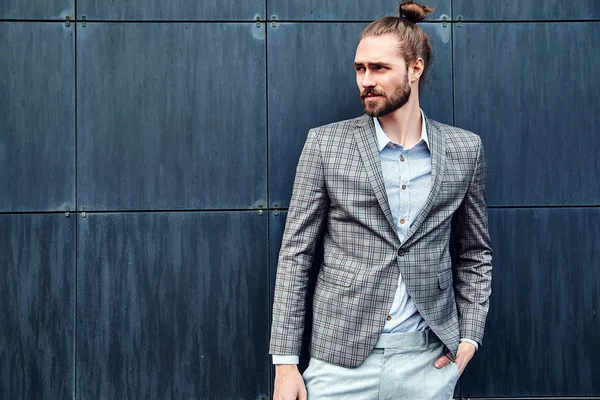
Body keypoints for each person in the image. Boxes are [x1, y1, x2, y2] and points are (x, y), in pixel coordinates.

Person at [270, 1, 493, 398]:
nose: (365, 80)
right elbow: (295, 254)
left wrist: (469, 338)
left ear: (416, 69)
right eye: (360, 68)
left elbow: (475, 252)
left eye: (379, 68)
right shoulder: (325, 144)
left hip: (428, 362)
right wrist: (285, 363)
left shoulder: (465, 149)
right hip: (339, 362)